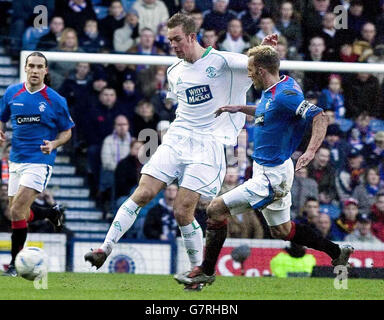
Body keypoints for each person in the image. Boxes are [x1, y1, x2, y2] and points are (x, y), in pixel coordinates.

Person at [85, 12, 256, 291]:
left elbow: (263, 65)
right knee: (142, 193)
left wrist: (268, 49)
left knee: (182, 211)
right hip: (177, 138)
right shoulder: (174, 70)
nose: (173, 45)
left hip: (209, 144)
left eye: (177, 39)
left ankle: (195, 273)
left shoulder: (226, 62)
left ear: (192, 36)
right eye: (170, 40)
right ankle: (104, 248)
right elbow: (179, 105)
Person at [174, 36, 354, 289]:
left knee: (215, 209)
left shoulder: (285, 95)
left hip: (272, 176)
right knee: (281, 231)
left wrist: (311, 151)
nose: (249, 76)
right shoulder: (277, 90)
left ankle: (205, 271)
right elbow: (268, 112)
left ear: (260, 70)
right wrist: (239, 108)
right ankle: (336, 251)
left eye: (250, 71)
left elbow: (319, 116)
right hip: (272, 170)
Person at [0, 52, 74, 276]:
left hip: (40, 161)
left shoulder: (55, 100)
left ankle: (14, 264)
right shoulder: (12, 93)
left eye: (39, 66)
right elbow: (1, 118)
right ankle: (50, 213)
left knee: (17, 210)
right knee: (15, 214)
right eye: (31, 66)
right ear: (25, 67)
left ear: (45, 70)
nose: (34, 70)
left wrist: (54, 144)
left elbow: (67, 132)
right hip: (16, 159)